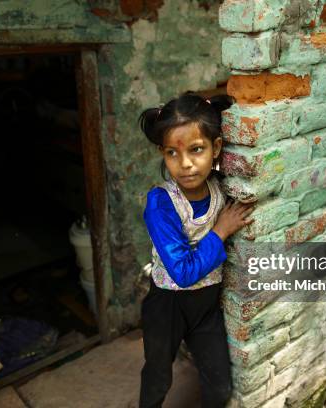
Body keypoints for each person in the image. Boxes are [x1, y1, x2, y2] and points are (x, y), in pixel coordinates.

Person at [138, 93, 255, 407]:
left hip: (206, 307)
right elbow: (183, 272)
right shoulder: (161, 203)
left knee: (219, 388)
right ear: (163, 154)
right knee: (158, 377)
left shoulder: (219, 186)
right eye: (172, 153)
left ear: (216, 149)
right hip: (167, 306)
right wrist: (220, 230)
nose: (185, 163)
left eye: (196, 149)